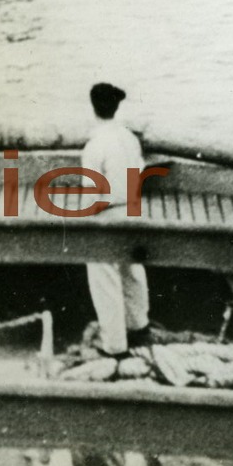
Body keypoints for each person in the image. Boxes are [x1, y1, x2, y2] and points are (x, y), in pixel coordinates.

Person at [81, 82, 151, 357]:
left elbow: (92, 193)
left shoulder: (95, 145)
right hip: (132, 210)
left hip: (107, 216)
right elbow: (140, 173)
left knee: (104, 276)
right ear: (116, 106)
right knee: (133, 270)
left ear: (93, 107)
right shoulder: (129, 138)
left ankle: (115, 345)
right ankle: (139, 327)